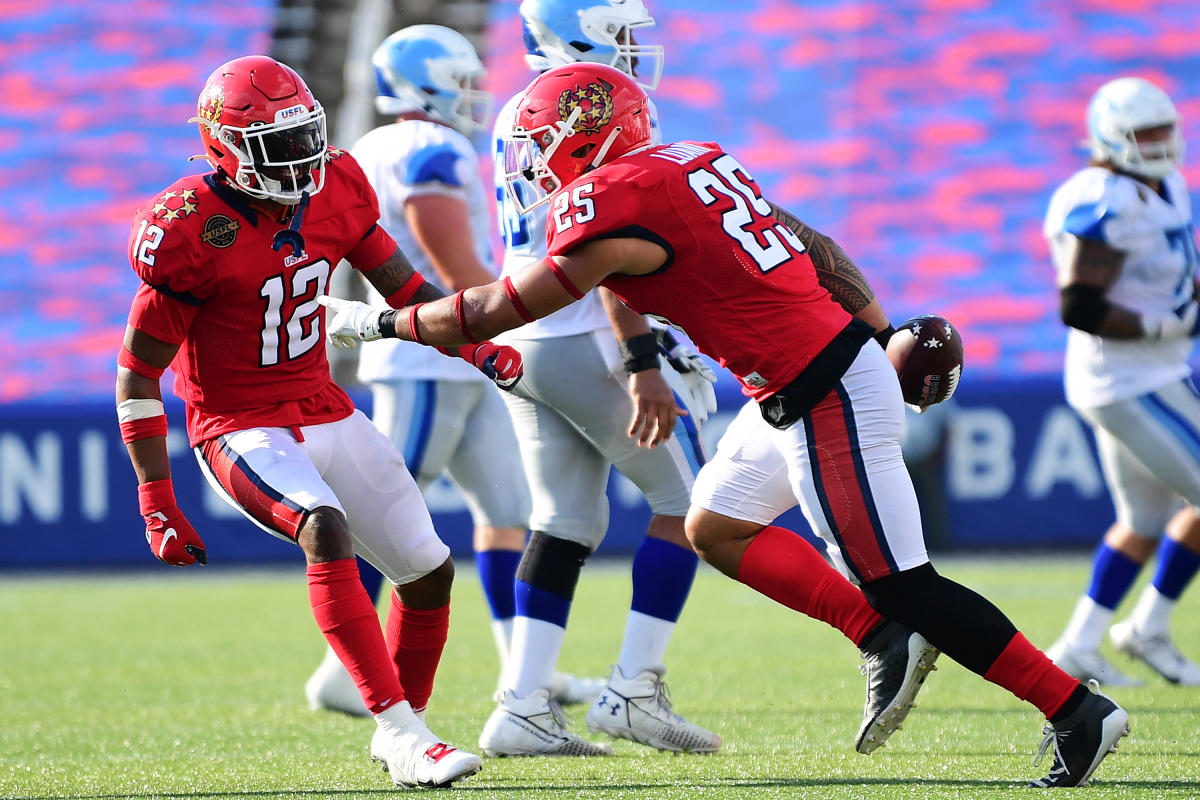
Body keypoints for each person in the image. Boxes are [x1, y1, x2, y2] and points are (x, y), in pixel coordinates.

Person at [321, 62, 1131, 787]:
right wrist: (881, 333)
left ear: (590, 138)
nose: (534, 163)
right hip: (800, 382)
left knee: (901, 579)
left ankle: (1073, 709)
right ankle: (881, 635)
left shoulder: (610, 201)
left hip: (825, 393)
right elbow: (811, 243)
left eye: (543, 144)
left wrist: (378, 324)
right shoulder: (694, 161)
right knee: (714, 527)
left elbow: (501, 309)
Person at [115, 54, 529, 788]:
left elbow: (404, 287)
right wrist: (157, 500)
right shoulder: (189, 228)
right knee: (325, 527)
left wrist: (475, 347)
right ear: (227, 148)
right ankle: (402, 733)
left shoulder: (338, 183)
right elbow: (138, 375)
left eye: (307, 136)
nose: (304, 159)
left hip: (324, 407)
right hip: (238, 423)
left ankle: (407, 732)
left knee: (429, 572)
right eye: (280, 147)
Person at [304, 23, 599, 718]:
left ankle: (525, 673)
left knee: (506, 512)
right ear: (426, 81)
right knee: (380, 513)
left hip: (441, 361)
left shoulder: (376, 145)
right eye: (460, 79)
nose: (472, 93)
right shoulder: (431, 147)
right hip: (429, 357)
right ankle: (340, 669)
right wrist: (511, 316)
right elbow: (449, 262)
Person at [1043, 76, 1200, 688]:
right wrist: (1167, 324)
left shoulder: (1165, 187)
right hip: (1131, 378)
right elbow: (1079, 304)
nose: (1159, 144)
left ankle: (1083, 645)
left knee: (1143, 521)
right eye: (1145, 134)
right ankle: (1146, 627)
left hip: (1142, 374)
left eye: (1165, 131)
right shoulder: (1105, 199)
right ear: (1111, 137)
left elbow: (1170, 274)